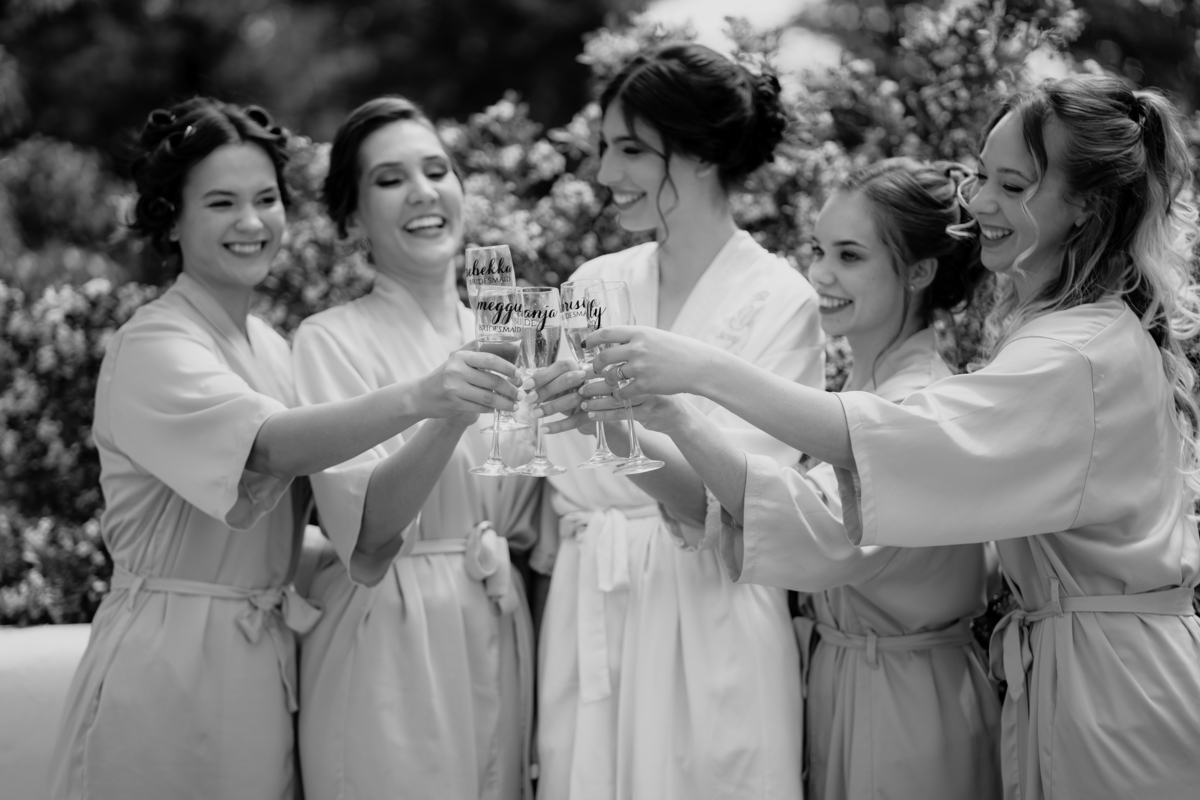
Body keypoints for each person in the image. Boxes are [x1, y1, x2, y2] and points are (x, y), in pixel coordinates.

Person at [585, 74, 1200, 799]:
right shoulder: (1064, 335)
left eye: (1013, 185)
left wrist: (699, 375)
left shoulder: (1076, 352)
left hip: (1111, 688)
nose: (979, 202)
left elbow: (896, 449)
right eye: (980, 177)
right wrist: (655, 415)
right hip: (1061, 669)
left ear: (1087, 207)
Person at [47, 98, 521, 800]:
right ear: (171, 218)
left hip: (263, 659)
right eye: (220, 202)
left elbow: (275, 526)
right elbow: (268, 450)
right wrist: (422, 398)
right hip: (168, 659)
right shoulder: (154, 345)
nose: (251, 222)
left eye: (265, 198)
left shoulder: (269, 347)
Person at [578, 157, 1002, 799]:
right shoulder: (862, 385)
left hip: (912, 696)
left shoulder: (917, 400)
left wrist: (678, 411)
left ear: (918, 272)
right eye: (818, 249)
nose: (822, 275)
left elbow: (820, 530)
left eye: (850, 256)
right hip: (840, 676)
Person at [526, 43, 824, 800]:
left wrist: (605, 427)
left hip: (709, 608)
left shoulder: (780, 300)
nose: (603, 174)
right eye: (604, 148)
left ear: (696, 154)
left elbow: (729, 506)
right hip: (595, 596)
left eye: (630, 149)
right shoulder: (595, 283)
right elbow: (545, 460)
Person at [291, 96, 541, 800]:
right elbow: (365, 532)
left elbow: (539, 519)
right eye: (390, 179)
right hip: (388, 636)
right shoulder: (329, 340)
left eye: (438, 170)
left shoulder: (509, 330)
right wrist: (449, 412)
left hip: (496, 616)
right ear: (351, 219)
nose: (424, 191)